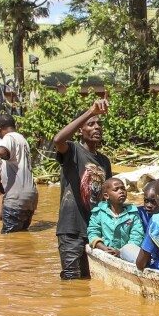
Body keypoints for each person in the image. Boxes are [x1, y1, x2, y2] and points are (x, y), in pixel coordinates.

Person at [52, 98, 112, 280]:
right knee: (72, 281)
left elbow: (107, 197)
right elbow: (57, 139)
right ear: (80, 130)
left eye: (99, 124)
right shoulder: (73, 151)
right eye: (91, 124)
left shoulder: (104, 161)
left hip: (94, 231)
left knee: (89, 280)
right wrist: (90, 111)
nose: (97, 127)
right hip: (71, 229)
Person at [88, 178, 144, 256]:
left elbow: (137, 236)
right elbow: (93, 232)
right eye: (116, 189)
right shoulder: (99, 213)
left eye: (123, 188)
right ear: (106, 196)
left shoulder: (133, 214)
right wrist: (104, 248)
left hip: (126, 254)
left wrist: (121, 252)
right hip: (103, 252)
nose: (121, 192)